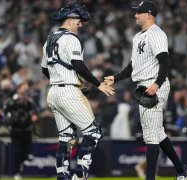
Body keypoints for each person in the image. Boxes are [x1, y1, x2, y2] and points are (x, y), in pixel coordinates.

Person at [104, 1, 187, 180]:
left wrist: (157, 83)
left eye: (139, 12)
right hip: (143, 85)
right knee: (156, 133)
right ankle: (181, 170)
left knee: (151, 137)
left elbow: (165, 61)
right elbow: (132, 66)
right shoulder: (138, 37)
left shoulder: (157, 34)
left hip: (153, 84)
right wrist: (116, 78)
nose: (136, 15)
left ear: (149, 14)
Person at [40, 2, 114, 180]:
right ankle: (80, 176)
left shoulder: (49, 39)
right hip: (68, 92)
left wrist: (61, 79)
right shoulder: (71, 38)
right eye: (79, 20)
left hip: (54, 93)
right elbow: (79, 65)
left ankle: (62, 176)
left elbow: (44, 70)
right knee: (93, 132)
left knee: (66, 138)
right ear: (70, 19)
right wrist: (97, 84)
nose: (81, 24)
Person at [3, 81, 38, 180]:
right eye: (23, 87)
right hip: (15, 130)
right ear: (18, 88)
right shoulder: (12, 100)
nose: (25, 89)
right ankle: (17, 172)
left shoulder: (28, 100)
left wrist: (34, 116)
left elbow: (34, 110)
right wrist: (7, 119)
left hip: (27, 129)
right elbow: (5, 111)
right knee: (17, 152)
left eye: (26, 88)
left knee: (26, 152)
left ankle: (22, 163)